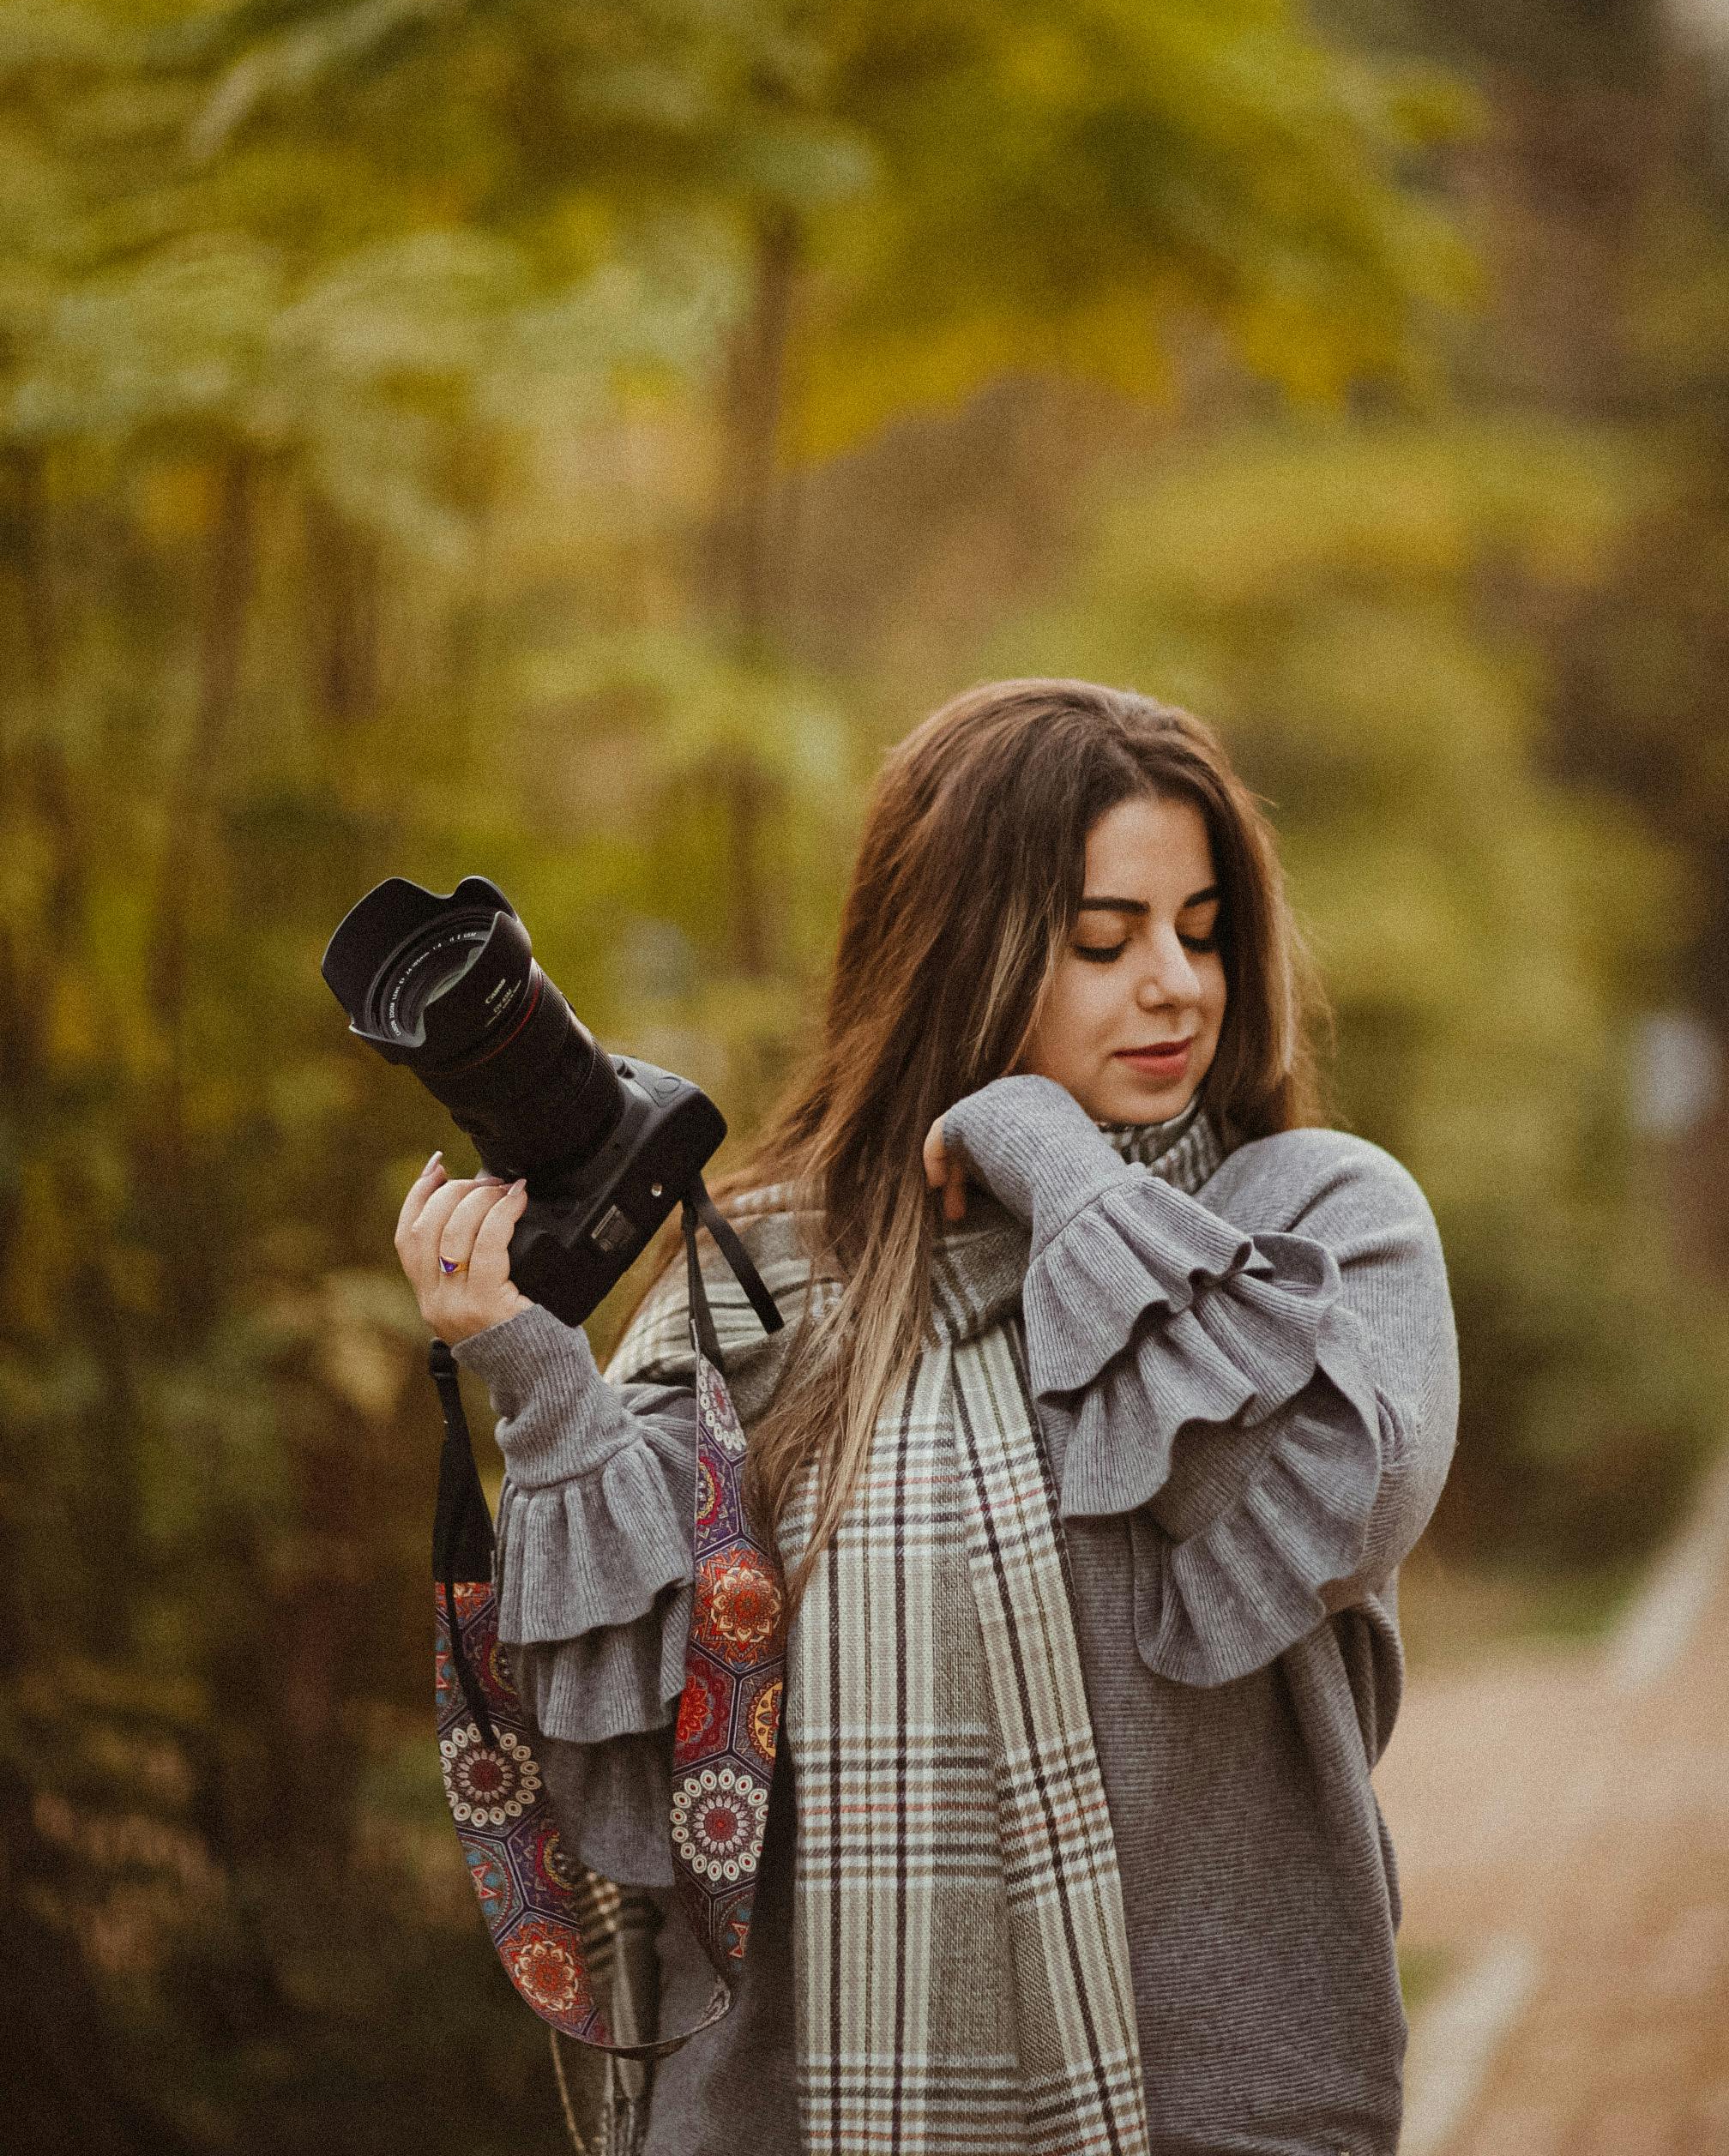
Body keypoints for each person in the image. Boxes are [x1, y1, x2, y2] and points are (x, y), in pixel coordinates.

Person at [393, 678, 1460, 2156]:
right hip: (795, 2113)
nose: (1175, 983)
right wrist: (534, 1375)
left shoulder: (1317, 1228)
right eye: (1104, 939)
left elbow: (1305, 1504)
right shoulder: (764, 1276)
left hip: (1215, 2107)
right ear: (960, 956)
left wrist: (1050, 1151)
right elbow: (639, 1774)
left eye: (1200, 929)